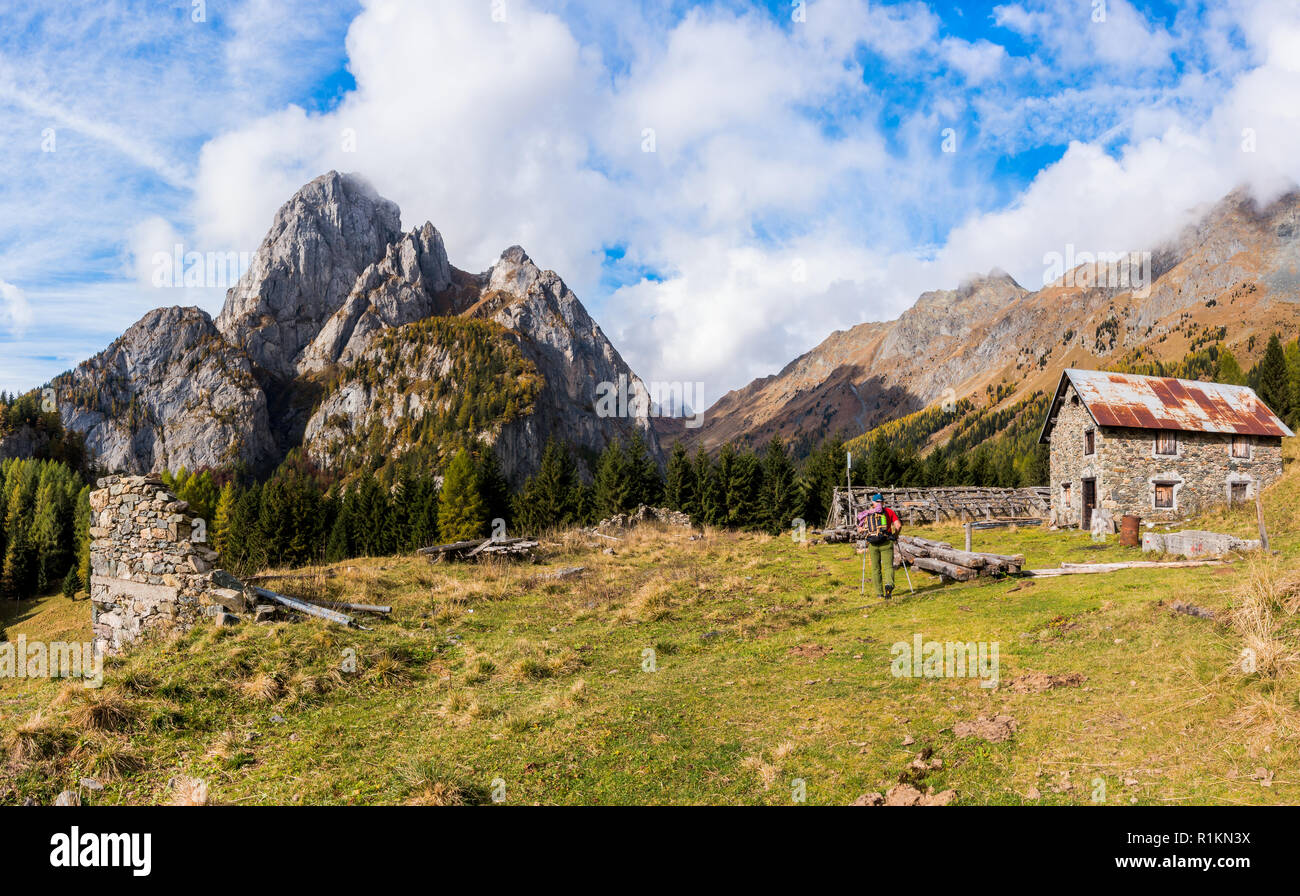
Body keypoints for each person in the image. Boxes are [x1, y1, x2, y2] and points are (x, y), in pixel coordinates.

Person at [857, 492, 902, 600]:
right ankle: (889, 585)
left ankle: (879, 594)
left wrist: (864, 532)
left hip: (872, 544)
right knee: (888, 567)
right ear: (883, 502)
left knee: (875, 568)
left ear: (873, 502)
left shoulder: (867, 513)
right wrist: (895, 535)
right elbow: (898, 525)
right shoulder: (889, 511)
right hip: (886, 541)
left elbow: (859, 530)